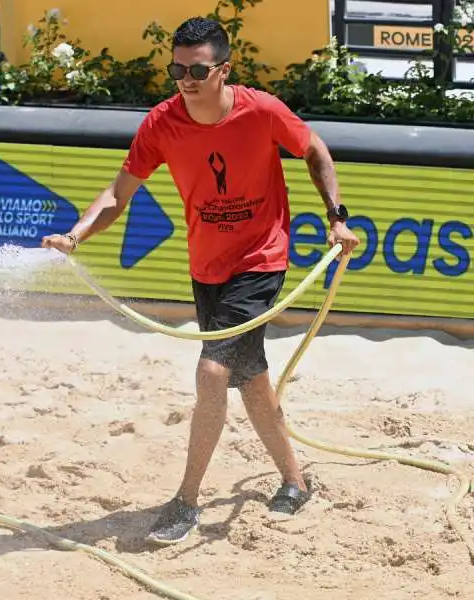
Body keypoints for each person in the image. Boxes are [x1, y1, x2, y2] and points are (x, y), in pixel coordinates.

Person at [41, 16, 360, 546]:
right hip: (206, 266)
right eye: (177, 69)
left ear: (222, 69)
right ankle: (295, 482)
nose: (186, 78)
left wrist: (337, 215)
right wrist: (75, 235)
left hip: (261, 259)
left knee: (213, 372)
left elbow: (314, 151)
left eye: (197, 69)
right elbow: (118, 195)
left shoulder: (261, 109)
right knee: (251, 378)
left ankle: (185, 500)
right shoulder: (161, 124)